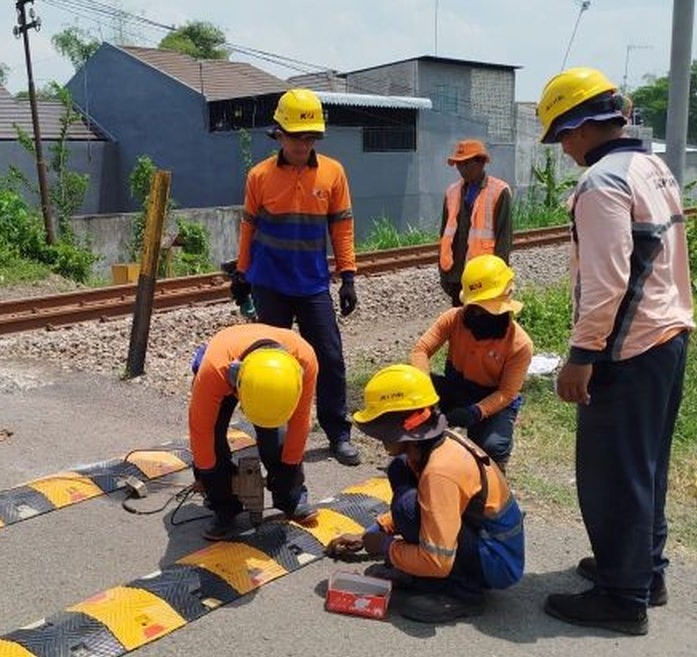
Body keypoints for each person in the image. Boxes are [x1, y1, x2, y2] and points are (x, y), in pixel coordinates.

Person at [535, 66, 695, 636]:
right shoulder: (652, 167)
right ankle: (643, 572)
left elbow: (607, 282)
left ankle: (621, 597)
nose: (564, 148)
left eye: (562, 137)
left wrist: (582, 357)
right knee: (647, 467)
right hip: (668, 338)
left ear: (579, 128)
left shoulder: (602, 182)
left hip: (627, 350)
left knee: (611, 474)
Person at [326, 364, 524, 623]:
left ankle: (464, 593)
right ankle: (423, 576)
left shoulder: (440, 472)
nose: (379, 438)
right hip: (479, 538)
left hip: (496, 560)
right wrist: (373, 534)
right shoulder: (426, 448)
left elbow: (436, 558)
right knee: (399, 472)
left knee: (406, 506)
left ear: (400, 428)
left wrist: (387, 547)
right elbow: (431, 509)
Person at [231, 87, 361, 466]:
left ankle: (338, 432)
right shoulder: (259, 176)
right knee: (268, 360)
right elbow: (248, 228)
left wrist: (348, 275)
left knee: (330, 359)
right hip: (270, 284)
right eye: (296, 136)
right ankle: (270, 431)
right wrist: (242, 274)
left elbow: (343, 228)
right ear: (279, 134)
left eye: (310, 137)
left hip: (313, 285)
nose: (303, 144)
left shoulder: (334, 173)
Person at [189, 323, 320, 541]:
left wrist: (288, 469)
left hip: (269, 373)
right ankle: (225, 507)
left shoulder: (304, 361)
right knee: (212, 444)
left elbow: (300, 423)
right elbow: (201, 432)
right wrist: (210, 477)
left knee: (278, 440)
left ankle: (292, 498)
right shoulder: (214, 371)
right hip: (226, 361)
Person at [410, 254, 533, 471]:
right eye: (477, 308)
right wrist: (425, 392)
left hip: (492, 399)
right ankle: (421, 461)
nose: (481, 314)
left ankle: (493, 478)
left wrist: (475, 412)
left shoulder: (519, 344)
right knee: (413, 402)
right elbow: (421, 350)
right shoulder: (453, 319)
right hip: (457, 385)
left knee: (492, 446)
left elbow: (506, 393)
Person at [438, 139, 514, 306]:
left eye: (466, 163)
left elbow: (503, 240)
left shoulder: (499, 191)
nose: (461, 169)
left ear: (481, 162)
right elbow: (444, 235)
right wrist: (444, 274)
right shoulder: (452, 192)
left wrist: (499, 277)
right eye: (459, 164)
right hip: (456, 274)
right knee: (461, 322)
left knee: (482, 322)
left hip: (483, 276)